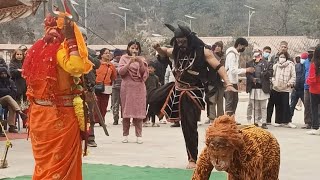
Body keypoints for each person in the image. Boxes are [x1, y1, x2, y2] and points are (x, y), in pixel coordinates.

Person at [151, 24, 236, 169]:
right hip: (176, 88)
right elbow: (165, 51)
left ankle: (192, 159)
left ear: (189, 39)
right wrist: (158, 48)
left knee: (188, 126)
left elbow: (219, 66)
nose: (181, 44)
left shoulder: (203, 52)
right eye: (178, 41)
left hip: (192, 93)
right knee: (152, 99)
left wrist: (228, 82)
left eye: (183, 41)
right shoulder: (176, 51)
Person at [22, 14, 93, 179]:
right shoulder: (60, 50)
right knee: (57, 168)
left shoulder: (36, 50)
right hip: (59, 116)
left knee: (45, 166)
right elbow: (76, 67)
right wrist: (71, 41)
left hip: (39, 116)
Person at [118, 40, 148, 144]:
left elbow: (144, 73)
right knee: (126, 112)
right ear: (128, 48)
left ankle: (139, 135)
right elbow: (121, 72)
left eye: (136, 48)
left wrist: (139, 62)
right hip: (127, 87)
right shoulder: (123, 58)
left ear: (139, 50)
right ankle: (125, 134)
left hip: (139, 87)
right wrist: (130, 62)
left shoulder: (142, 59)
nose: (134, 50)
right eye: (132, 48)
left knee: (138, 112)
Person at [79, 27, 101, 147]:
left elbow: (97, 64)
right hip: (75, 88)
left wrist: (85, 54)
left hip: (89, 88)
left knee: (90, 114)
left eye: (82, 36)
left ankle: (91, 137)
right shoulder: (69, 51)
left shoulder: (91, 52)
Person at [224, 38, 254, 119]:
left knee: (234, 101)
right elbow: (232, 70)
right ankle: (227, 120)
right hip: (229, 81)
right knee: (230, 102)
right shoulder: (231, 54)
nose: (244, 49)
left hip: (233, 81)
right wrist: (246, 70)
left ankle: (232, 119)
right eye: (244, 47)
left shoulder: (236, 54)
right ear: (239, 45)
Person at [246, 50, 272, 129]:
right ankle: (255, 121)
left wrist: (262, 73)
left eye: (258, 55)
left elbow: (270, 73)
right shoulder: (250, 63)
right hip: (253, 87)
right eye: (255, 55)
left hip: (263, 87)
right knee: (255, 106)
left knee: (263, 106)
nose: (256, 57)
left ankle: (264, 122)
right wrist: (252, 79)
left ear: (261, 55)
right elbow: (247, 74)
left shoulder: (267, 63)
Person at [271, 52, 296, 128]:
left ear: (286, 58)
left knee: (285, 104)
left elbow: (293, 76)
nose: (282, 58)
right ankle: (278, 121)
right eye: (280, 56)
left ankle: (287, 121)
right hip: (276, 88)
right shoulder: (275, 66)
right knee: (278, 105)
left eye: (283, 57)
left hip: (286, 88)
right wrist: (275, 83)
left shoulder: (291, 65)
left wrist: (289, 83)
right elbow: (272, 76)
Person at [0, 67, 27, 134]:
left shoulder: (10, 81)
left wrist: (6, 91)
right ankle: (20, 112)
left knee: (11, 106)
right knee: (8, 97)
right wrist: (8, 91)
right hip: (1, 100)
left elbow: (14, 91)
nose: (4, 75)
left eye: (5, 73)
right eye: (2, 74)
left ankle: (11, 126)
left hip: (9, 100)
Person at [95, 48, 117, 125]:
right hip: (97, 85)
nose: (108, 54)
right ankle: (95, 119)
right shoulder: (97, 63)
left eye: (109, 53)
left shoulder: (111, 65)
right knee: (96, 103)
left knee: (104, 104)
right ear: (101, 55)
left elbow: (114, 76)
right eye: (106, 53)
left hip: (107, 86)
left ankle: (102, 119)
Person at [205, 41, 225, 124]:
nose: (217, 47)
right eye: (215, 46)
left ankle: (220, 119)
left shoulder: (223, 57)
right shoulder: (210, 56)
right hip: (211, 82)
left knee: (220, 102)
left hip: (220, 83)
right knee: (211, 101)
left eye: (219, 46)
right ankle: (212, 119)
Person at [306, 45, 320, 135]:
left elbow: (311, 79)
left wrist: (307, 81)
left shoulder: (314, 63)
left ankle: (315, 127)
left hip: (315, 90)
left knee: (314, 108)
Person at [289, 54, 305, 124]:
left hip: (302, 88)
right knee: (292, 105)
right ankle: (289, 119)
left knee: (306, 106)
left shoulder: (305, 66)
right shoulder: (295, 66)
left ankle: (308, 121)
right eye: (297, 58)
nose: (298, 59)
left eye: (299, 58)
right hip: (296, 88)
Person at [144, 61, 160, 127]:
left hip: (153, 95)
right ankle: (144, 121)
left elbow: (157, 86)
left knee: (153, 108)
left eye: (151, 68)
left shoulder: (156, 77)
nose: (150, 69)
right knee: (144, 108)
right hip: (145, 95)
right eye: (148, 68)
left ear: (154, 69)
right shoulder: (145, 77)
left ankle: (153, 122)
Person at [111, 49, 123, 125]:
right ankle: (115, 118)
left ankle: (124, 118)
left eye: (120, 55)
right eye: (117, 55)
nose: (119, 57)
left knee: (124, 104)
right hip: (115, 87)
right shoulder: (111, 63)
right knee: (115, 104)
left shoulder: (124, 62)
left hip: (124, 86)